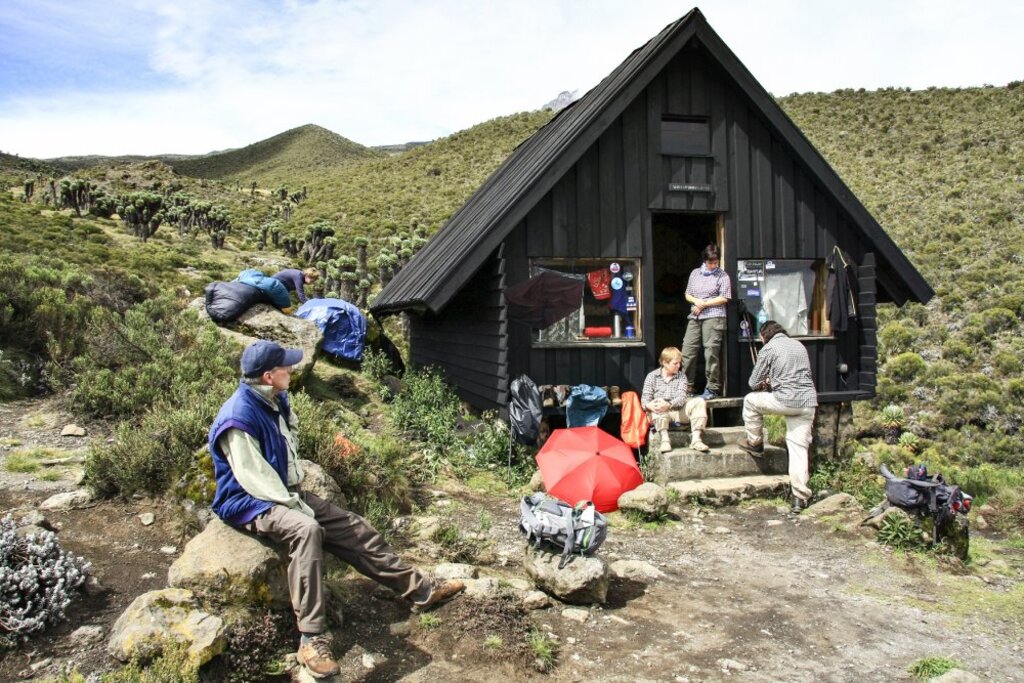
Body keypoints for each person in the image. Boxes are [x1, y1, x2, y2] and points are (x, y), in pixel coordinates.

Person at [209, 340, 464, 678]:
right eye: (286, 366)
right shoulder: (237, 418)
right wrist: (296, 505)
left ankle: (421, 590)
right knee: (306, 530)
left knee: (352, 526)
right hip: (249, 501)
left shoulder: (274, 397)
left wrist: (295, 489)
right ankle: (312, 638)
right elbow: (254, 479)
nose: (292, 369)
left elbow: (289, 438)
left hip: (284, 491)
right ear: (269, 376)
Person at [736, 321, 818, 514]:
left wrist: (764, 383)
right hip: (807, 402)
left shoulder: (769, 348)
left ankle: (755, 442)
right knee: (798, 449)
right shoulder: (798, 345)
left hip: (785, 400)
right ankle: (799, 498)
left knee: (750, 401)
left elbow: (753, 382)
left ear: (764, 336)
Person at [682, 244, 732, 400]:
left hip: (714, 316)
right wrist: (697, 301)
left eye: (716, 262)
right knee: (688, 350)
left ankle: (712, 388)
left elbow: (725, 297)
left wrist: (704, 304)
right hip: (695, 316)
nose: (713, 265)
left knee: (711, 353)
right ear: (704, 260)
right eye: (711, 262)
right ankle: (687, 386)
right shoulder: (695, 273)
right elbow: (688, 294)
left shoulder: (723, 276)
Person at [641, 347, 710, 453]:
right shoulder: (652, 377)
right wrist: (649, 405)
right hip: (660, 414)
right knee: (658, 403)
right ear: (665, 362)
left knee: (699, 401)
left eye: (679, 363)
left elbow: (682, 397)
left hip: (678, 410)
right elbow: (645, 399)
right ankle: (665, 440)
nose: (678, 366)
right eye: (675, 363)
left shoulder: (681, 377)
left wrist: (668, 404)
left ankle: (696, 440)